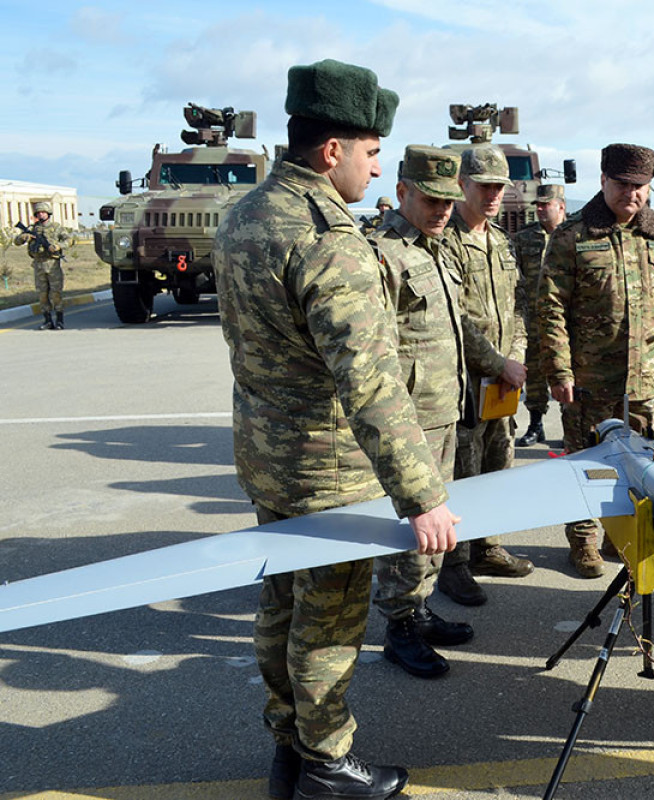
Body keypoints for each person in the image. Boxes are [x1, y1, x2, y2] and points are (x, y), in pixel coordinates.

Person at [213, 59, 455, 800]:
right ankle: (327, 764)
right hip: (328, 474)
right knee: (328, 620)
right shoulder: (329, 238)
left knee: (281, 604)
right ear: (332, 151)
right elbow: (373, 383)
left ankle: (289, 742)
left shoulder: (246, 216)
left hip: (269, 462)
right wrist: (423, 495)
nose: (378, 170)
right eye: (372, 152)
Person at [538, 143, 654, 578]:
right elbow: (549, 309)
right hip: (589, 379)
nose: (632, 194)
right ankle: (583, 541)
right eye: (622, 184)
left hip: (645, 381)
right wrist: (559, 370)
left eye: (640, 186)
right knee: (586, 463)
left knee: (643, 464)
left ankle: (618, 535)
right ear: (603, 181)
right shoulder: (572, 237)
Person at [366, 146, 480, 680]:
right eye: (431, 200)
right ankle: (399, 627)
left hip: (444, 411)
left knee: (437, 530)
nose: (441, 211)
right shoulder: (381, 254)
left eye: (448, 202)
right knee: (411, 531)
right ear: (404, 191)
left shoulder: (438, 248)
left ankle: (419, 606)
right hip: (409, 421)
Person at [436, 143, 534, 606]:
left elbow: (514, 309)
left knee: (499, 468)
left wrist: (514, 356)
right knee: (463, 475)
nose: (494, 195)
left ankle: (487, 547)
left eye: (500, 187)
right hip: (463, 384)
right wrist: (500, 363)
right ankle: (453, 566)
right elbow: (456, 318)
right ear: (462, 186)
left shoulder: (499, 240)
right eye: (485, 187)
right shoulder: (446, 241)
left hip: (500, 382)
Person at [513, 183, 567, 447]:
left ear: (561, 207)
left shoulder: (574, 236)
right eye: (538, 205)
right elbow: (516, 278)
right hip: (534, 317)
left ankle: (572, 425)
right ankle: (536, 425)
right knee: (534, 372)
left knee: (569, 371)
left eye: (546, 204)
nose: (541, 209)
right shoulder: (524, 238)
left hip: (568, 320)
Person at [15, 201, 72, 330]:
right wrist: (23, 237)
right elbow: (17, 241)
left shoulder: (56, 227)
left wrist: (58, 246)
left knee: (56, 293)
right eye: (39, 213)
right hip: (38, 265)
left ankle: (59, 320)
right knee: (42, 294)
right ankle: (47, 320)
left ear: (48, 213)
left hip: (52, 264)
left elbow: (69, 240)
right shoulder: (33, 228)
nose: (41, 215)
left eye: (43, 212)